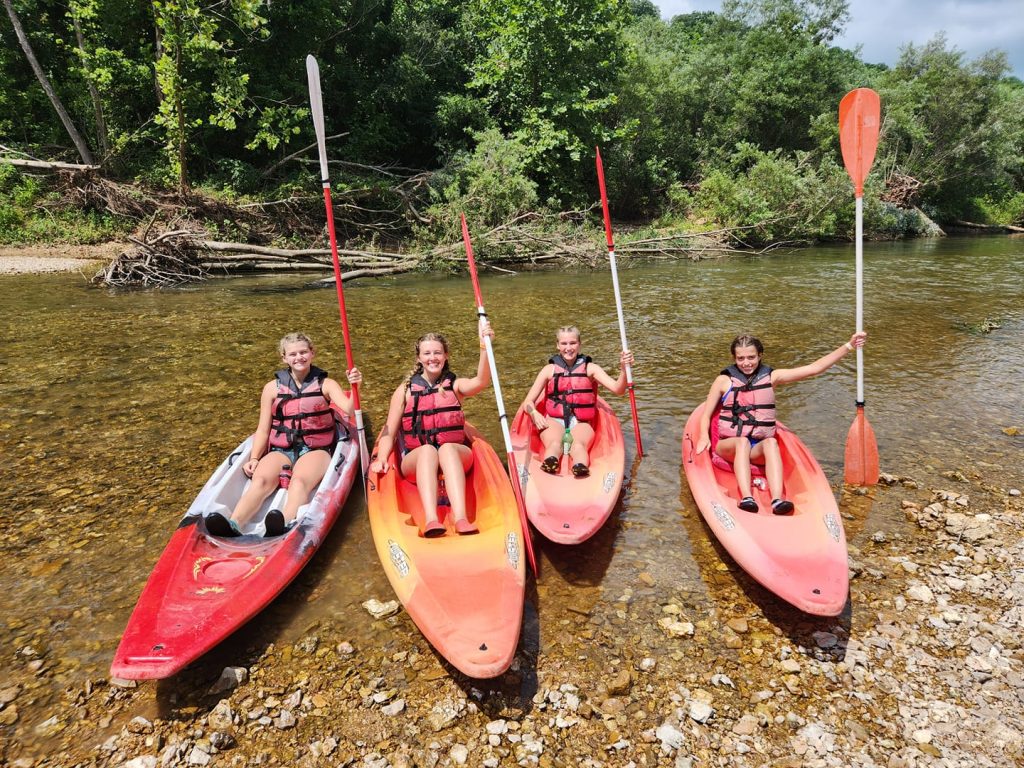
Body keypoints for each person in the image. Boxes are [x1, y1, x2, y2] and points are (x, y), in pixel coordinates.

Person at [206, 332, 361, 538]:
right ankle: (235, 523)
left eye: (304, 352)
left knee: (299, 482)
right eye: (293, 354)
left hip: (316, 449)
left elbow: (349, 410)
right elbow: (263, 429)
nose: (299, 357)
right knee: (260, 480)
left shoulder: (327, 384)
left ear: (312, 353)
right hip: (281, 448)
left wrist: (355, 387)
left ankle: (284, 523)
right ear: (284, 358)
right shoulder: (271, 388)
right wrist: (253, 458)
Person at [694, 331, 868, 514]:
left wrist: (849, 346)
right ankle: (747, 497)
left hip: (756, 447)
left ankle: (777, 500)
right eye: (741, 358)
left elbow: (814, 369)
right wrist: (703, 437)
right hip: (729, 446)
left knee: (771, 442)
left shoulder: (772, 377)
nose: (746, 363)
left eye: (751, 357)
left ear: (760, 355)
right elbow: (706, 415)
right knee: (742, 441)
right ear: (734, 358)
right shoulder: (723, 381)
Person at [369, 324, 494, 537]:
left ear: (446, 356)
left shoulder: (454, 385)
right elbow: (390, 430)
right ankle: (431, 519)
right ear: (419, 358)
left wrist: (485, 347)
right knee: (428, 450)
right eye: (427, 353)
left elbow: (480, 382)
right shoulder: (405, 390)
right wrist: (381, 457)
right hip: (416, 460)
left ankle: (461, 518)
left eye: (437, 352)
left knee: (446, 449)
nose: (432, 358)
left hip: (455, 455)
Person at [519, 325, 634, 478]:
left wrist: (623, 369)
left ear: (579, 344)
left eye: (572, 343)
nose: (568, 348)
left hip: (581, 422)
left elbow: (618, 390)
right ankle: (550, 462)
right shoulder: (549, 370)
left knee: (578, 446)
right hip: (554, 419)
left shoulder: (590, 368)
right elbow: (528, 402)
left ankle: (580, 466)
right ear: (557, 345)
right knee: (554, 443)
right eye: (564, 344)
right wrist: (534, 413)